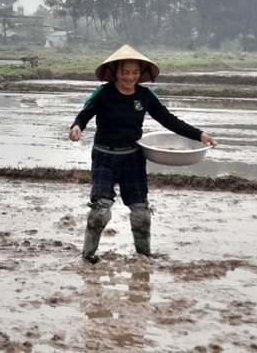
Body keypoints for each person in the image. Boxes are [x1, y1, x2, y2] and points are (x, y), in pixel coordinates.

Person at [69, 45, 217, 263]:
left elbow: (169, 120)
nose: (130, 77)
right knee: (101, 210)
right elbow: (84, 114)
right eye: (125, 72)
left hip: (132, 158)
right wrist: (77, 126)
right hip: (104, 156)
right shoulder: (104, 93)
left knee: (140, 211)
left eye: (135, 73)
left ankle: (144, 257)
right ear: (116, 72)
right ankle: (88, 256)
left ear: (141, 74)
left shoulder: (145, 96)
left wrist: (199, 135)